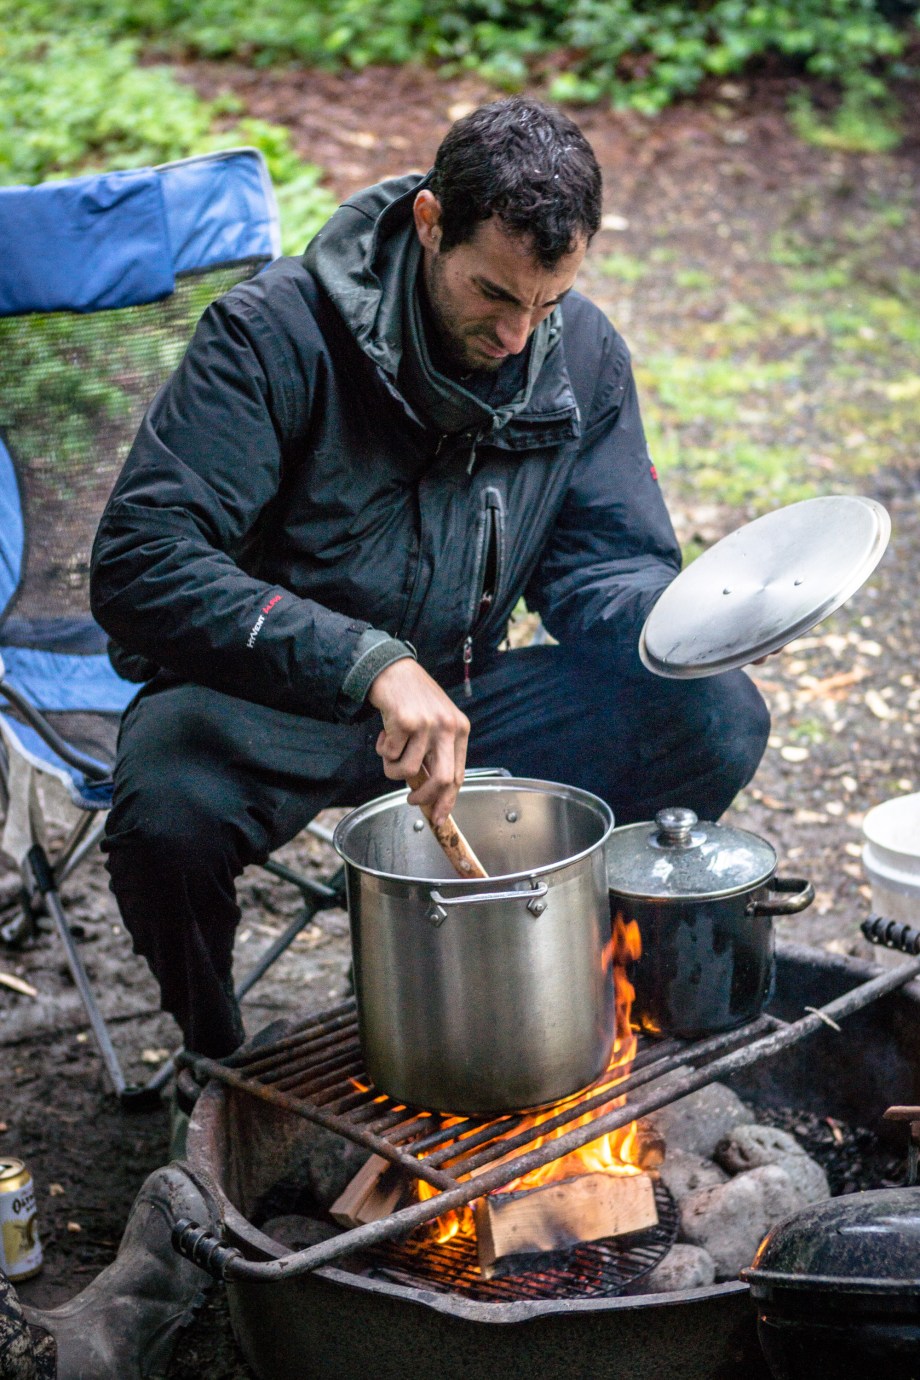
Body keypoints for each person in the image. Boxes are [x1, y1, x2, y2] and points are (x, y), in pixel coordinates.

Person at [89, 96, 770, 1061]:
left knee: (715, 713)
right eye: (494, 295)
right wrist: (365, 661)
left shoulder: (578, 355)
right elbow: (138, 561)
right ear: (428, 223)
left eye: (548, 300)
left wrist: (689, 623)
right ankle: (220, 1061)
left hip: (461, 700)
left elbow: (600, 567)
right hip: (266, 698)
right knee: (165, 819)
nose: (519, 335)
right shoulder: (272, 336)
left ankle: (563, 984)